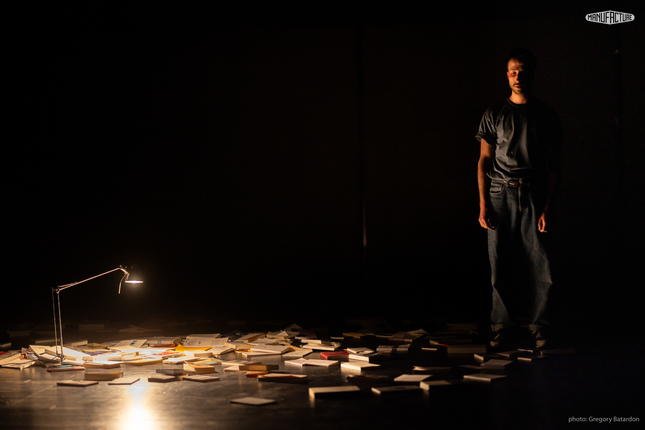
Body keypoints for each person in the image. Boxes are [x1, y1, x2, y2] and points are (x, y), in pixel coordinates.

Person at [476, 48, 563, 349]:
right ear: (507, 75)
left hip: (533, 193)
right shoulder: (494, 114)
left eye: (523, 72)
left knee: (541, 265)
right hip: (500, 192)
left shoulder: (545, 115)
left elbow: (554, 167)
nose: (518, 77)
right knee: (500, 264)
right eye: (513, 72)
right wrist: (483, 204)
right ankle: (503, 327)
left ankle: (540, 327)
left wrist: (548, 207)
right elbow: (484, 161)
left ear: (532, 74)